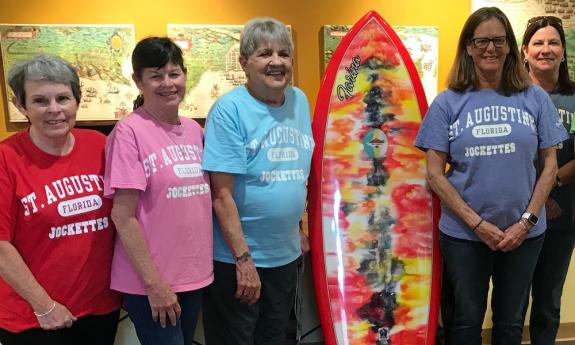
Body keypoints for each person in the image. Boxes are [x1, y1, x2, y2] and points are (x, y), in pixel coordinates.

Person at [415, 7, 568, 345]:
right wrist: (477, 224)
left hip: (524, 234)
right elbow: (434, 175)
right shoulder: (447, 103)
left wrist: (526, 221)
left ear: (510, 47)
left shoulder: (535, 98)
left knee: (511, 322)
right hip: (464, 236)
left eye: (499, 40)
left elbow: (550, 166)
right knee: (466, 321)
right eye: (481, 40)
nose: (491, 48)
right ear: (468, 46)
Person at [201, 17, 314, 345]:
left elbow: (294, 173)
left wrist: (297, 229)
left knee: (275, 337)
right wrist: (243, 260)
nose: (277, 62)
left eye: (284, 53)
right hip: (240, 259)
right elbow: (221, 196)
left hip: (286, 256)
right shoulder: (229, 111)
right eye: (265, 54)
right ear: (244, 63)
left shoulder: (300, 101)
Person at [0, 54, 121, 345]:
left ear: (77, 101)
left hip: (100, 308)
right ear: (21, 106)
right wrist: (45, 306)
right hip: (34, 317)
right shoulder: (6, 158)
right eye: (40, 101)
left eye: (63, 98)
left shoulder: (101, 145)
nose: (54, 109)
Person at [104, 37, 213, 345]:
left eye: (174, 73)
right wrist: (155, 286)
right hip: (151, 282)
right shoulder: (128, 132)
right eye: (156, 75)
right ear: (139, 81)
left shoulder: (194, 130)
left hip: (192, 274)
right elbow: (122, 217)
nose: (168, 83)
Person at [520, 15, 575, 345]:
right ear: (525, 51)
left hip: (563, 217)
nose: (546, 49)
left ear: (564, 52)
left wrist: (551, 187)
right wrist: (540, 199)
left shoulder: (572, 98)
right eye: (538, 43)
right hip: (517, 219)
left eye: (553, 42)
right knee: (512, 301)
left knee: (548, 303)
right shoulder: (510, 97)